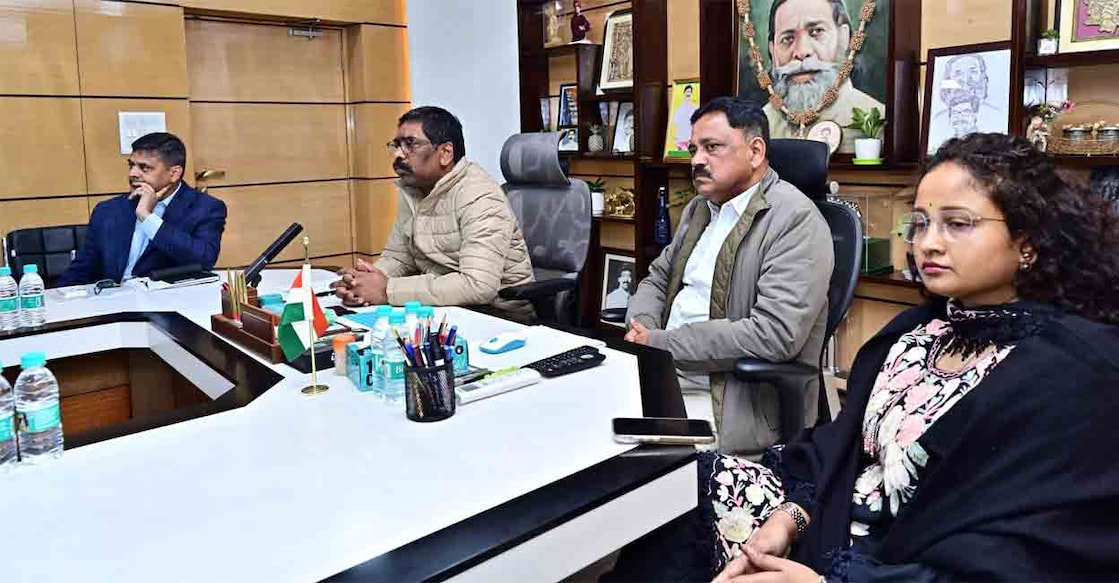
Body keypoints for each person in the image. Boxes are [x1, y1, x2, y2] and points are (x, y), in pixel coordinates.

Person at [706, 133, 1119, 581]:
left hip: (900, 570)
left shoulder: (1077, 372)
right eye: (920, 223)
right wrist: (788, 518)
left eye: (957, 224)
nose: (928, 244)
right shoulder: (914, 332)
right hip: (829, 527)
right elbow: (844, 450)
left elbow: (1026, 561)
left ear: (1028, 242)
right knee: (677, 485)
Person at [622, 97, 833, 458]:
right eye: (694, 149)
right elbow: (657, 278)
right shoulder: (701, 209)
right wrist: (642, 329)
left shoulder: (795, 221)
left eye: (712, 147)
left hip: (729, 399)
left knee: (626, 465)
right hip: (662, 374)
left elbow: (774, 335)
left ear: (755, 151)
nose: (696, 160)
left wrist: (659, 344)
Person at [334, 106, 534, 321]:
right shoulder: (414, 189)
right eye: (396, 144)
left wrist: (387, 290)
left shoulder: (479, 196)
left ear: (445, 153)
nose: (398, 154)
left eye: (410, 144)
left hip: (498, 316)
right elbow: (399, 258)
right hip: (445, 309)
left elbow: (478, 285)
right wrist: (363, 284)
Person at [58, 132, 227, 287]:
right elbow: (81, 269)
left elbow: (203, 259)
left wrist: (147, 218)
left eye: (144, 168)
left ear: (174, 173)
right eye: (131, 165)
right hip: (113, 306)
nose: (133, 173)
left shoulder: (205, 208)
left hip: (168, 307)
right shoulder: (107, 210)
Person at [762, 0, 885, 150]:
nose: (801, 52)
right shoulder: (760, 125)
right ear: (772, 50)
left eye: (816, 32)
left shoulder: (879, 120)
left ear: (843, 37)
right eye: (787, 39)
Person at [672, 84, 700, 150]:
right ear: (684, 93)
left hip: (692, 140)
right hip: (681, 140)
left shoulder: (695, 108)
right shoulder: (679, 109)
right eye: (687, 91)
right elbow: (675, 122)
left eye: (690, 92)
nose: (688, 93)